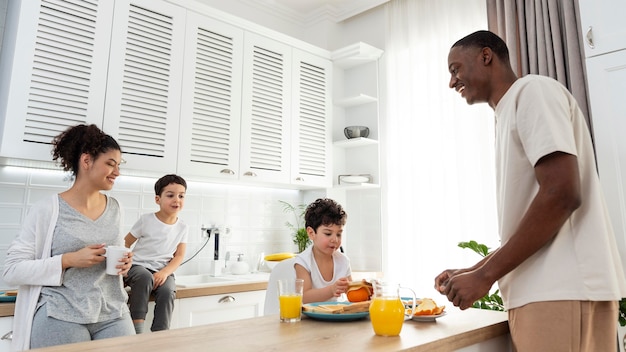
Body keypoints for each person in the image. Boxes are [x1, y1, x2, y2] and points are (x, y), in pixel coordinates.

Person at [434, 30, 626, 351]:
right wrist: (475, 270)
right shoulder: (509, 111)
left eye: (455, 69)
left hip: (561, 291)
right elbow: (535, 215)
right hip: (547, 294)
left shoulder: (532, 92)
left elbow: (561, 194)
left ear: (485, 56)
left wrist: (484, 277)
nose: (452, 82)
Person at [2, 124, 134, 350]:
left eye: (119, 165)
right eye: (110, 164)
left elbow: (116, 254)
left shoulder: (116, 208)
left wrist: (126, 264)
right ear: (86, 161)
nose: (117, 172)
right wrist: (68, 260)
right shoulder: (48, 209)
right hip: (60, 313)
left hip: (113, 312)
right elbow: (11, 270)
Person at [124, 174, 188, 334]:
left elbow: (179, 256)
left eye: (181, 196)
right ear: (157, 199)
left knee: (167, 292)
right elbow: (126, 242)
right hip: (138, 267)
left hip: (162, 270)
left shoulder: (183, 227)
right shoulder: (146, 220)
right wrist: (124, 264)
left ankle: (160, 335)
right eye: (170, 195)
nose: (177, 200)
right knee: (144, 277)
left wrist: (165, 272)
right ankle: (137, 329)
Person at [294, 198, 350, 303]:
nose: (335, 239)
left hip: (335, 316)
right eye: (328, 234)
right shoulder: (303, 262)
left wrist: (365, 289)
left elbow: (351, 293)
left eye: (339, 234)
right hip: (310, 318)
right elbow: (304, 297)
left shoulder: (343, 261)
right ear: (311, 233)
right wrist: (331, 290)